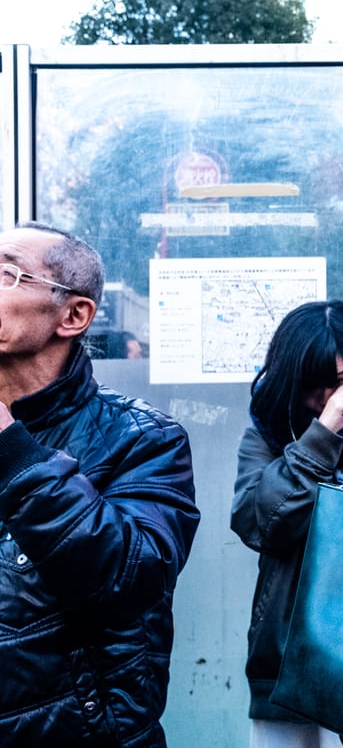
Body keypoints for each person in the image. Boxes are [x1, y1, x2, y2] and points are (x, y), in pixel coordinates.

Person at [0, 223, 199, 746]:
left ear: (74, 315)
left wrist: (12, 450)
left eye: (5, 273)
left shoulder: (143, 440)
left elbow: (132, 577)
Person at [231, 300, 343, 748]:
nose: (335, 397)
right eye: (318, 387)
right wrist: (321, 437)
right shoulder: (270, 428)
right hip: (293, 652)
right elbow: (261, 526)